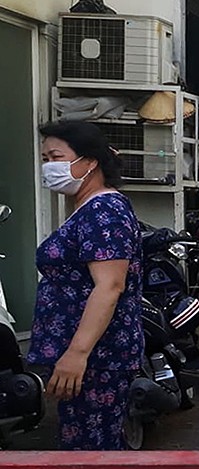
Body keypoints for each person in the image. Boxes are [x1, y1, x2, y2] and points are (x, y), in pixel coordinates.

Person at [27, 121, 144, 450]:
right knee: (86, 448)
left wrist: (77, 354)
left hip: (97, 359)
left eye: (56, 156)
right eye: (45, 158)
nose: (49, 166)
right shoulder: (86, 209)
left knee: (92, 453)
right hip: (89, 357)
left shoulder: (103, 211)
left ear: (89, 161)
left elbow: (109, 286)